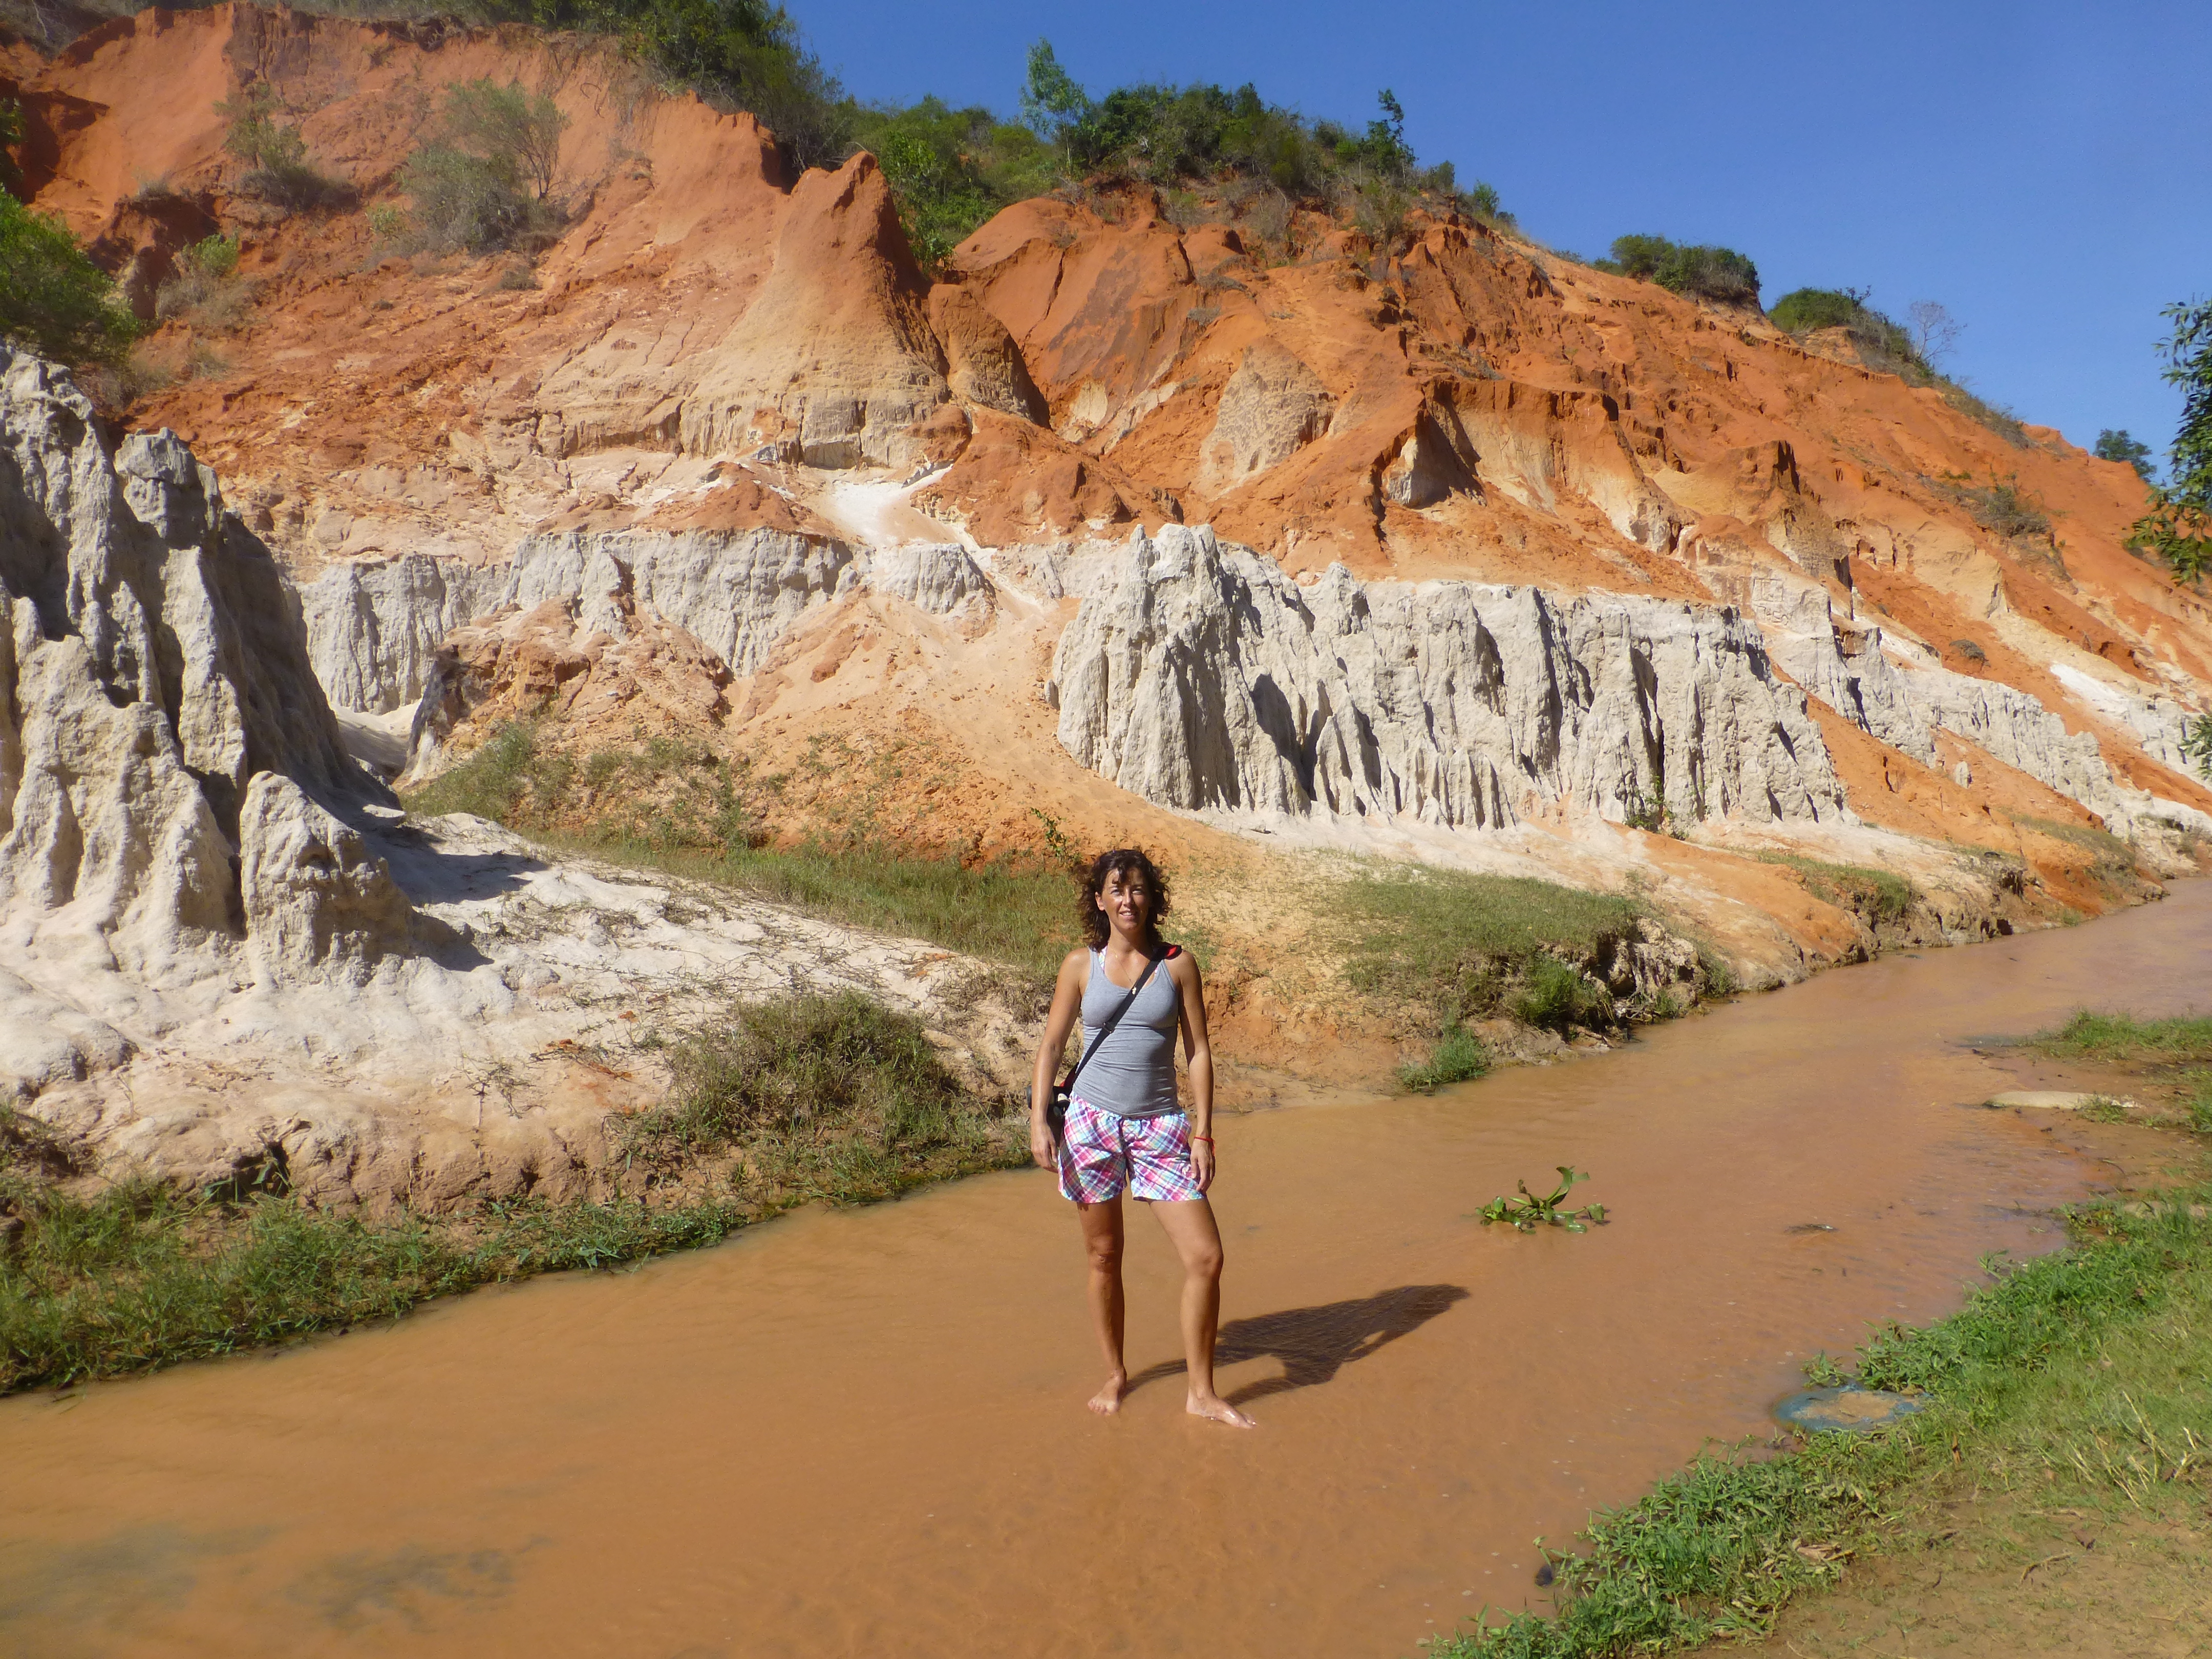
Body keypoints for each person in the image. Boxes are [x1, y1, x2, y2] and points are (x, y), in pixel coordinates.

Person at [1029, 848, 1256, 1428]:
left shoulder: (1178, 964)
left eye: (1138, 889)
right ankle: (1116, 1373)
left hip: (1160, 1126)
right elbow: (1052, 1046)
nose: (1128, 900)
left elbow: (1199, 1051)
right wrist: (1038, 1119)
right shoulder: (1081, 964)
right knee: (1105, 1255)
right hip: (1090, 1125)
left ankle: (1200, 1393)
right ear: (1100, 899)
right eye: (1117, 889)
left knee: (1206, 1257)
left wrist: (1204, 1133)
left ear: (1152, 898)